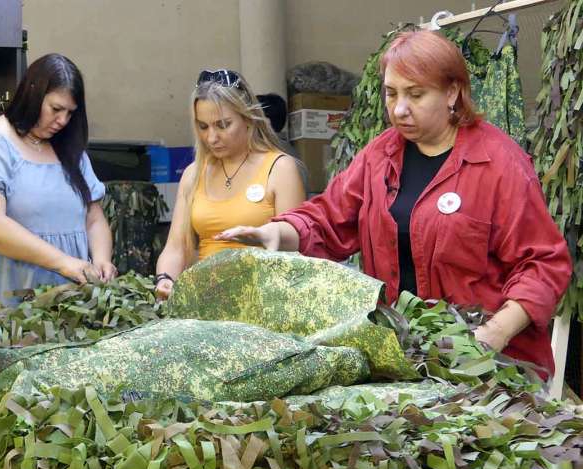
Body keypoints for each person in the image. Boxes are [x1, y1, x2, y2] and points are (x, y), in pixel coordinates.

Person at [217, 31, 572, 378]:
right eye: (391, 93)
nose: (399, 109)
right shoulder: (379, 156)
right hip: (407, 355)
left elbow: (543, 263)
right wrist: (280, 232)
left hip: (489, 364)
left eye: (415, 94)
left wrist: (496, 332)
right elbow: (330, 217)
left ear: (452, 92)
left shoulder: (499, 163)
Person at [0, 53, 116, 304]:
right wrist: (63, 262)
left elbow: (93, 218)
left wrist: (102, 259)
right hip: (1, 291)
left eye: (70, 113)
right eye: (56, 109)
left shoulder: (71, 151)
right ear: (33, 94)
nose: (62, 121)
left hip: (66, 301)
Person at [155, 69, 306, 299]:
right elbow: (176, 247)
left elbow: (296, 248)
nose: (212, 137)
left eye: (223, 125)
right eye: (203, 127)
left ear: (248, 119)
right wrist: (165, 279)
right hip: (206, 299)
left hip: (263, 299)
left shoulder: (280, 169)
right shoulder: (193, 174)